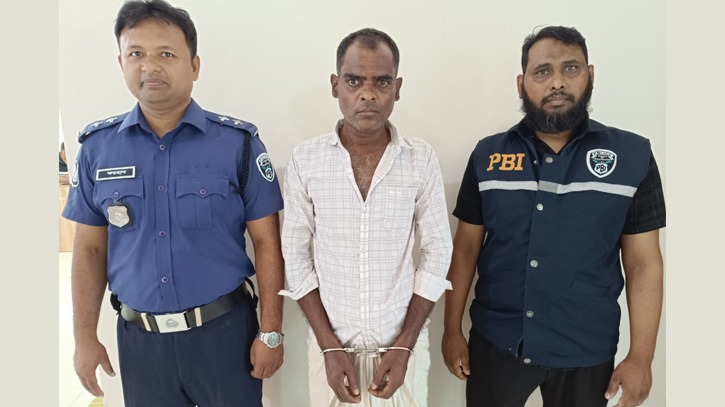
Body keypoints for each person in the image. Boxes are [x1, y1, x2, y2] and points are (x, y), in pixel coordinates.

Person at [62, 1, 285, 405]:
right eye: (136, 54)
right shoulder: (97, 149)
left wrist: (270, 332)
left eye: (166, 54)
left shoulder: (237, 145)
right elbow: (90, 248)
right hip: (141, 344)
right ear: (121, 63)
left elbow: (268, 242)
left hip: (225, 336)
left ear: (194, 65)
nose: (150, 66)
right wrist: (84, 337)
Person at [442, 25, 665, 407]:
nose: (557, 82)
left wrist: (641, 357)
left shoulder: (632, 156)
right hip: (497, 343)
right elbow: (464, 250)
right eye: (542, 71)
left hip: (587, 349)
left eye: (570, 68)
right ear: (521, 84)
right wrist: (451, 330)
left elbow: (643, 262)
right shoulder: (488, 156)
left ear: (590, 75)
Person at [280, 28, 453, 406]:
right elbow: (295, 254)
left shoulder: (420, 159)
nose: (368, 94)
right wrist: (328, 347)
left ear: (398, 88)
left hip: (402, 348)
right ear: (335, 85)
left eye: (382, 82)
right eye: (354, 81)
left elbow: (439, 250)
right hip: (329, 350)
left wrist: (405, 345)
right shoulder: (306, 160)